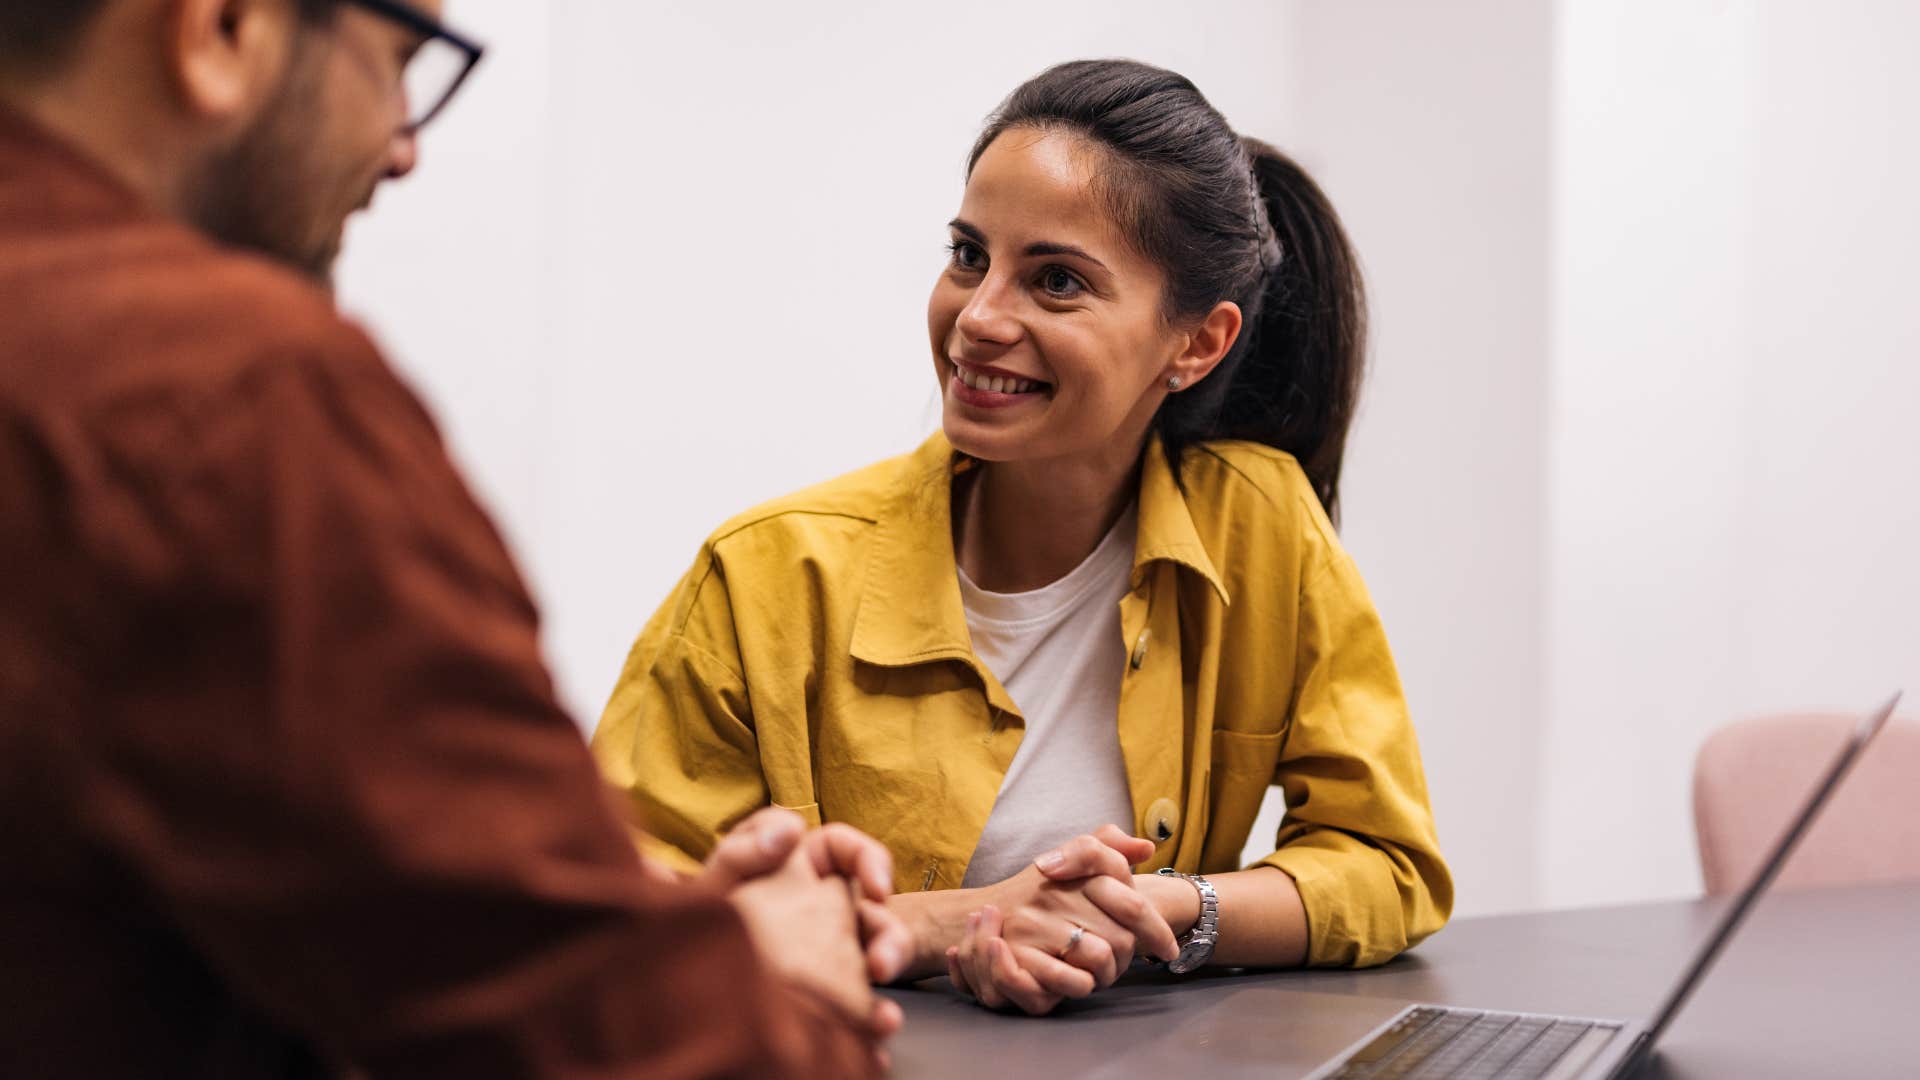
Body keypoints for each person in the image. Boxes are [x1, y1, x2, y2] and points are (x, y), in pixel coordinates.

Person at [0, 0, 909, 1075]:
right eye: (401, 61)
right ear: (224, 28)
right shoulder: (234, 396)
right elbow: (638, 1053)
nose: (405, 147)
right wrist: (783, 991)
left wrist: (635, 940)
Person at [593, 59, 1454, 1015]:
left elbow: (1387, 867)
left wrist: (1160, 910)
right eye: (969, 255)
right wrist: (952, 924)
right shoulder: (764, 574)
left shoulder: (1261, 525)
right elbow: (605, 923)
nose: (978, 318)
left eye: (1055, 281)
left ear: (1197, 343)